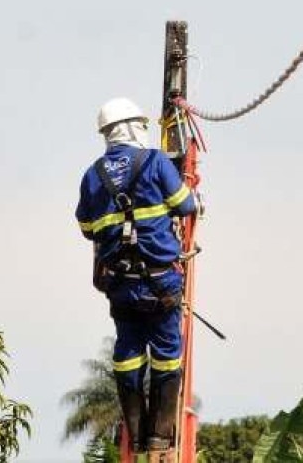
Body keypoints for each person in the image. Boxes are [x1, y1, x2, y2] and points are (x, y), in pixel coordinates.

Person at [75, 97, 198, 460]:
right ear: (134, 127)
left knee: (127, 354)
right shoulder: (155, 162)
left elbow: (86, 227)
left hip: (120, 287)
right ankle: (160, 436)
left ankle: (138, 434)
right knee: (167, 354)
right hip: (160, 283)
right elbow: (186, 205)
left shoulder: (92, 176)